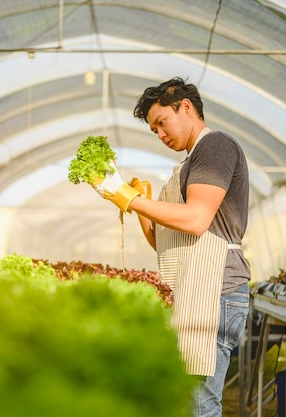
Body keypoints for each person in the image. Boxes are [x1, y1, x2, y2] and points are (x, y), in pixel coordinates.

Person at [93, 77, 251, 416]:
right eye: (154, 131)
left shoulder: (215, 147)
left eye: (162, 123)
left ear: (187, 107)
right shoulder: (190, 162)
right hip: (197, 289)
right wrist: (139, 207)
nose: (161, 135)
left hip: (216, 292)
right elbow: (165, 244)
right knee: (188, 400)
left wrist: (129, 198)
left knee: (200, 403)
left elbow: (195, 219)